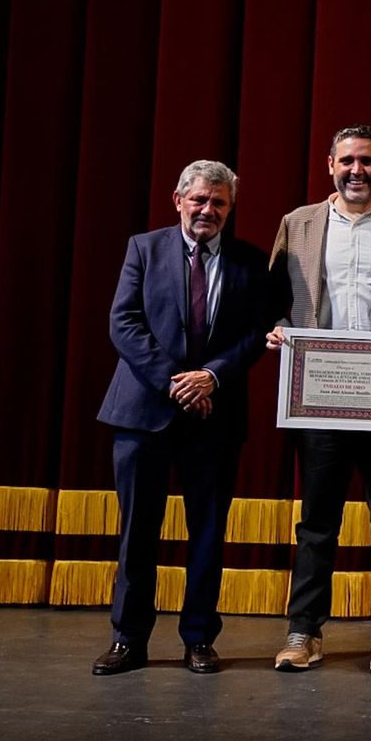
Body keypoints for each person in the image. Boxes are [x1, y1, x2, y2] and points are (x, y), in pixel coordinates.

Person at [266, 125, 371, 673]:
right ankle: (304, 632)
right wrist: (275, 328)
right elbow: (271, 300)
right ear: (330, 165)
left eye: (367, 161)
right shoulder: (297, 225)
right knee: (317, 520)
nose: (357, 170)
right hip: (318, 396)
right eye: (347, 161)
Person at [93, 160, 269, 675]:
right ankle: (128, 639)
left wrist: (210, 377)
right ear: (178, 200)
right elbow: (123, 324)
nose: (207, 210)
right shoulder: (143, 250)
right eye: (199, 200)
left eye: (218, 202)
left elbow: (256, 334)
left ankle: (198, 639)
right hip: (143, 413)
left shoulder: (250, 262)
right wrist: (178, 381)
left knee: (208, 533)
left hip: (215, 417)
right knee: (137, 532)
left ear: (230, 208)